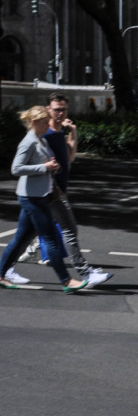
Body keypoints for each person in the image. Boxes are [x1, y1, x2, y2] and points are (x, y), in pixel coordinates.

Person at [1, 106, 108, 293]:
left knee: (20, 239)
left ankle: (1, 274)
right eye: (44, 123)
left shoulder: (40, 140)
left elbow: (48, 164)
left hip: (40, 195)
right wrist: (44, 167)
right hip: (33, 198)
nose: (47, 126)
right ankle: (66, 281)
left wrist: (53, 172)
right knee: (50, 239)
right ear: (34, 122)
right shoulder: (28, 142)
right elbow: (16, 169)